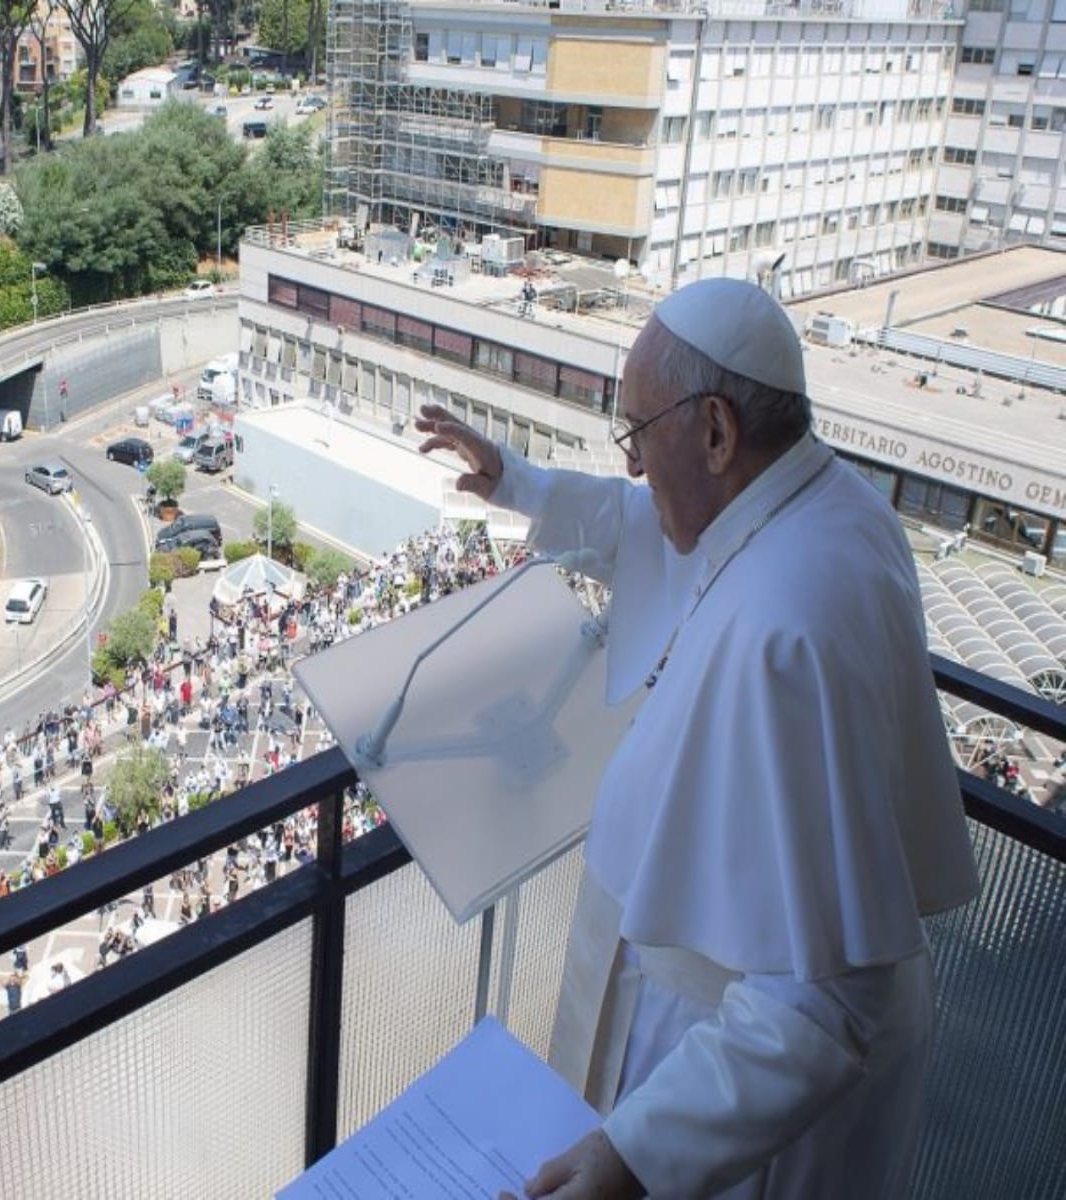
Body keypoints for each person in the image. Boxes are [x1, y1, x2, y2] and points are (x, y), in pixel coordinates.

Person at [417, 277, 978, 1200]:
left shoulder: (790, 621)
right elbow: (645, 523)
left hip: (726, 1072)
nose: (633, 466)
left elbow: (827, 997)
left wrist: (634, 1156)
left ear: (716, 431)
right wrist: (516, 481)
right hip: (715, 1026)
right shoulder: (814, 508)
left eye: (638, 434)